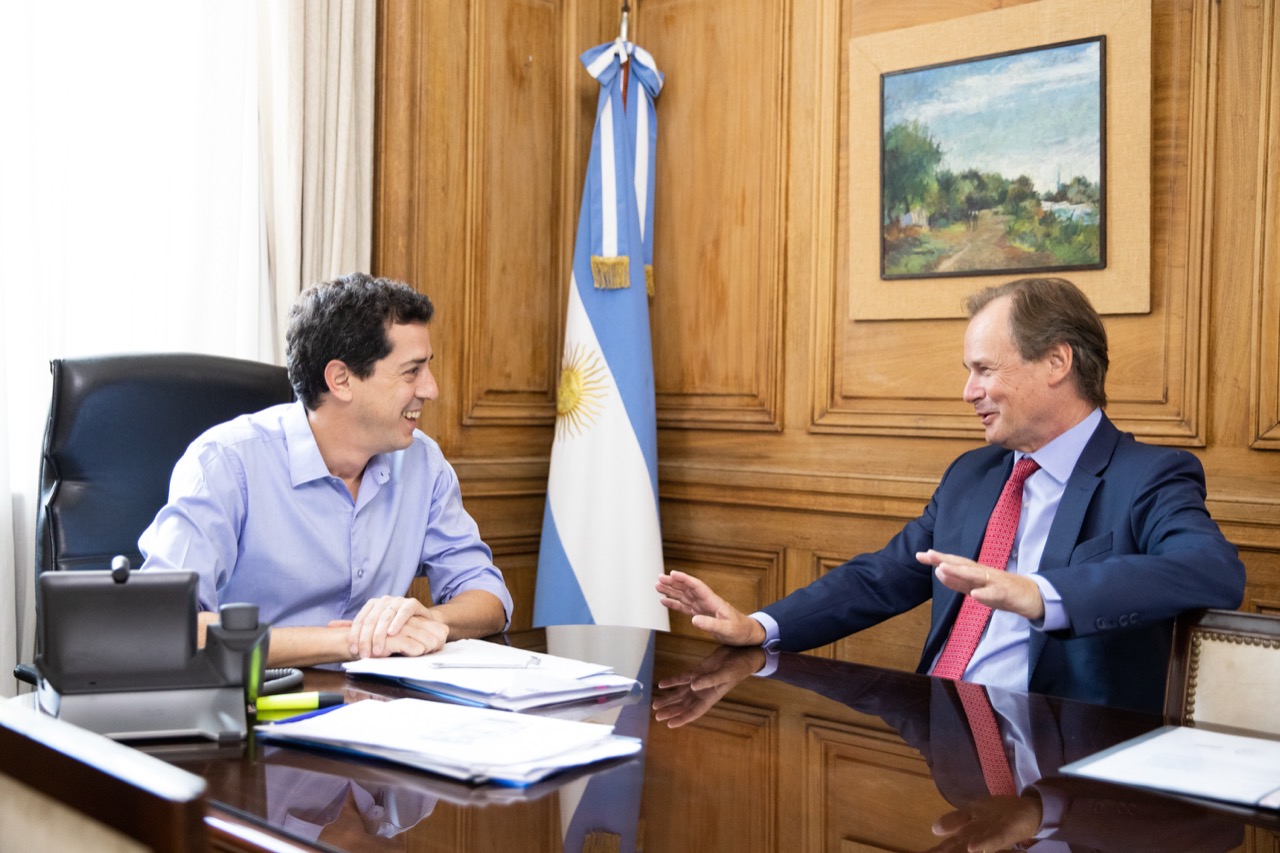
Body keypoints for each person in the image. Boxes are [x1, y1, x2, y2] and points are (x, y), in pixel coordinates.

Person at [656, 276, 1246, 713]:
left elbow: (1211, 571)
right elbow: (883, 576)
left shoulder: (1148, 475)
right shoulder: (974, 474)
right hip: (944, 738)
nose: (969, 392)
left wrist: (1038, 594)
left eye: (985, 369)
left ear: (1057, 362)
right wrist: (759, 627)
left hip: (1061, 765)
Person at [140, 273, 512, 666]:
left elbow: (488, 597)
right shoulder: (225, 464)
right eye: (411, 371)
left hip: (381, 705)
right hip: (258, 704)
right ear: (341, 379)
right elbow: (165, 625)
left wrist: (427, 620)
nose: (431, 389)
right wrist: (349, 642)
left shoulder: (423, 463)